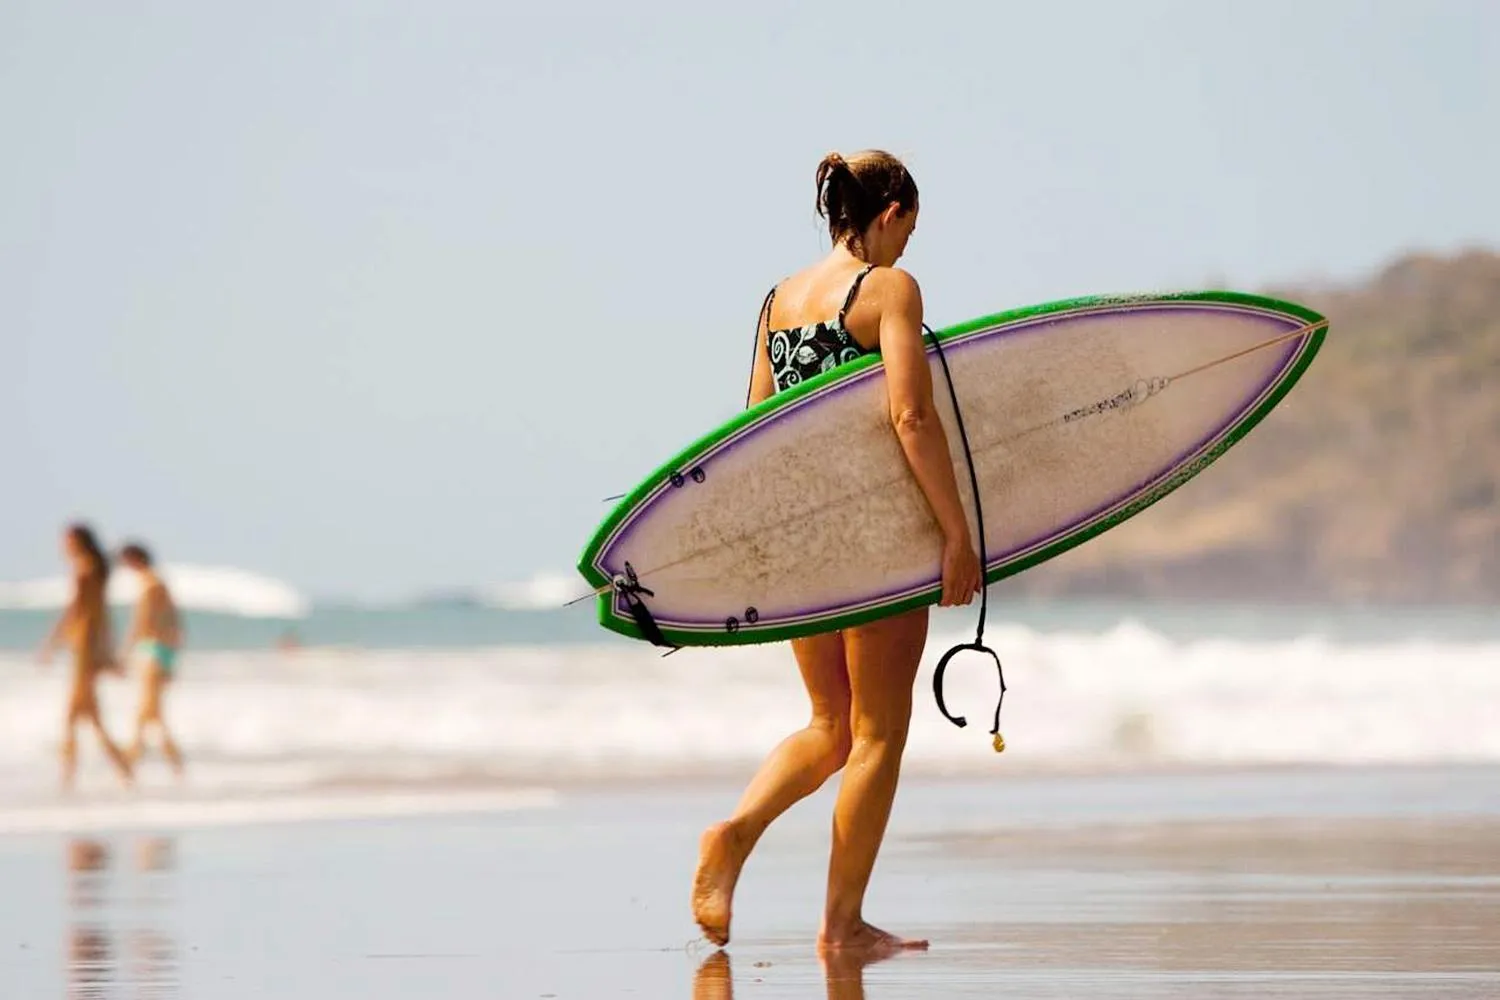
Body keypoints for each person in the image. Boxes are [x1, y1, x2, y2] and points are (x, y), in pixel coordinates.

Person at [691, 150, 982, 955]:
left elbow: (751, 429)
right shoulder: (887, 290)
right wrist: (956, 534)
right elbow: (911, 418)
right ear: (889, 214)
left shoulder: (777, 302)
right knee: (879, 732)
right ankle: (842, 925)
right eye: (909, 231)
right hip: (879, 543)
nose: (907, 250)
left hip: (803, 545)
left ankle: (737, 830)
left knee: (828, 725)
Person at [39, 522, 134, 790]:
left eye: (66, 540)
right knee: (89, 716)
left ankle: (69, 778)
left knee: (76, 715)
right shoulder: (97, 570)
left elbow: (74, 611)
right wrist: (108, 652)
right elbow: (101, 616)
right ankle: (120, 769)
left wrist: (51, 643)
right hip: (91, 646)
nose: (62, 545)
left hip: (83, 648)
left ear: (76, 541)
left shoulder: (84, 569)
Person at [117, 542, 186, 776]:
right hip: (164, 651)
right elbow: (175, 622)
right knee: (153, 712)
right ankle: (172, 759)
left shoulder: (148, 584)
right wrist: (173, 654)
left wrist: (124, 652)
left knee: (146, 710)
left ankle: (131, 759)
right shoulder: (160, 583)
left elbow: (140, 622)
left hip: (151, 652)